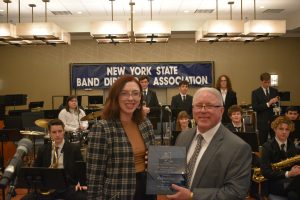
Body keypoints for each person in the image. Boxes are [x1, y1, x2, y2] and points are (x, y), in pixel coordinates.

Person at [167, 87, 252, 200]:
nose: (203, 110)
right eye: (198, 105)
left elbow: (236, 192)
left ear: (221, 111)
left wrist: (192, 196)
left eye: (209, 106)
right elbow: (176, 172)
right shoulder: (183, 137)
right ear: (192, 109)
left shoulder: (238, 148)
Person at [86, 75, 156, 200]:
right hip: (119, 193)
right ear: (115, 97)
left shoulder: (146, 124)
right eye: (124, 93)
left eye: (135, 93)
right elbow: (94, 177)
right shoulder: (102, 128)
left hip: (147, 190)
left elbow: (153, 160)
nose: (131, 98)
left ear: (140, 97)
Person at [22, 119, 86, 200]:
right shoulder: (43, 149)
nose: (57, 135)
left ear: (64, 131)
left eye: (60, 131)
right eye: (54, 132)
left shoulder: (74, 148)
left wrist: (80, 182)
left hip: (68, 187)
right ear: (49, 133)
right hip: (48, 187)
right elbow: (36, 169)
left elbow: (80, 169)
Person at [260, 116, 300, 199]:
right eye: (281, 129)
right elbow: (266, 172)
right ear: (275, 129)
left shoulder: (291, 144)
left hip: (291, 181)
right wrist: (288, 174)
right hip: (275, 183)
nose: (284, 132)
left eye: (287, 129)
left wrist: (296, 167)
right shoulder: (267, 147)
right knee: (294, 195)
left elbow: (294, 163)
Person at [252, 72, 279, 145]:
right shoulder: (255, 92)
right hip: (262, 123)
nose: (267, 84)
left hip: (274, 122)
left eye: (269, 82)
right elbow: (255, 108)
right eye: (265, 82)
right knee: (262, 144)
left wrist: (276, 105)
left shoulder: (274, 91)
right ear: (261, 81)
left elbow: (277, 106)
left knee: (275, 143)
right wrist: (268, 104)